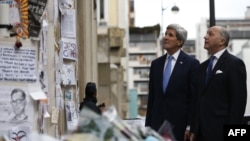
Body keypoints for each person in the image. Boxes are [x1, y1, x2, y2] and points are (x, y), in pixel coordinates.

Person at [190, 26, 247, 141]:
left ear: (222, 41)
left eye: (210, 34)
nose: (205, 37)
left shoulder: (235, 64)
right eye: (206, 33)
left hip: (220, 133)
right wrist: (193, 130)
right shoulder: (202, 67)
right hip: (200, 134)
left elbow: (238, 103)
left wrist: (232, 135)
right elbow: (198, 100)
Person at [145, 24, 199, 141]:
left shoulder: (192, 64)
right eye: (165, 34)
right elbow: (152, 97)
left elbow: (193, 98)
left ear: (179, 41)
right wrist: (147, 126)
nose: (166, 37)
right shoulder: (156, 64)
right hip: (156, 127)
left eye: (170, 35)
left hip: (179, 127)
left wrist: (190, 126)